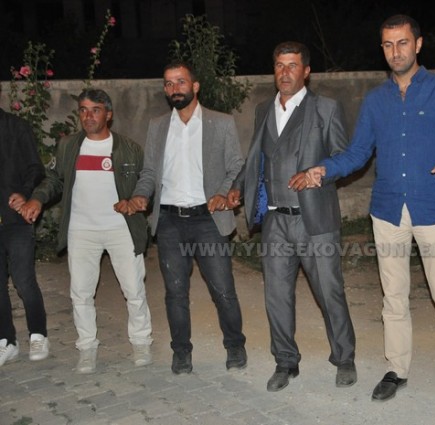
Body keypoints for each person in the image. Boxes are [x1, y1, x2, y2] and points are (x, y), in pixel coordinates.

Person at [302, 15, 435, 406]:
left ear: (418, 44)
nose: (395, 51)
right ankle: (397, 369)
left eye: (402, 43)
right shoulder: (375, 100)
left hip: (433, 207)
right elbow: (357, 153)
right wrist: (324, 169)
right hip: (387, 210)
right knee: (394, 297)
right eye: (388, 44)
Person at [227, 41, 357, 392]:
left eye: (292, 65)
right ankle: (285, 361)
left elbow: (344, 157)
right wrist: (237, 189)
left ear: (306, 71)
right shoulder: (263, 110)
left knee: (329, 291)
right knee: (277, 295)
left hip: (315, 219)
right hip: (275, 220)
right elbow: (255, 158)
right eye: (279, 66)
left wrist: (319, 172)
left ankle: (344, 358)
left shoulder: (325, 108)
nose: (285, 72)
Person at [121, 61, 247, 375]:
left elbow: (236, 166)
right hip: (169, 222)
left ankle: (235, 345)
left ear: (195, 86)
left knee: (223, 289)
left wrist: (222, 192)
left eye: (180, 81)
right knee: (175, 292)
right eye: (168, 83)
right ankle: (181, 352)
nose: (174, 88)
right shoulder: (158, 126)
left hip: (208, 220)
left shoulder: (221, 122)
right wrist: (141, 195)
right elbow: (149, 172)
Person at [20, 88, 153, 374]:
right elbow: (54, 179)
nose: (88, 116)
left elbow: (146, 181)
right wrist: (37, 199)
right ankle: (87, 347)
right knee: (80, 293)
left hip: (121, 228)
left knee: (134, 289)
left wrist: (136, 200)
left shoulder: (129, 148)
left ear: (108, 114)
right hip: (81, 230)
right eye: (83, 110)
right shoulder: (69, 146)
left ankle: (141, 342)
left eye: (95, 110)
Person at [0, 99, 49, 366]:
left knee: (24, 281)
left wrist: (25, 193)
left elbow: (35, 168)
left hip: (16, 219)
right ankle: (6, 340)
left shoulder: (16, 127)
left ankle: (38, 334)